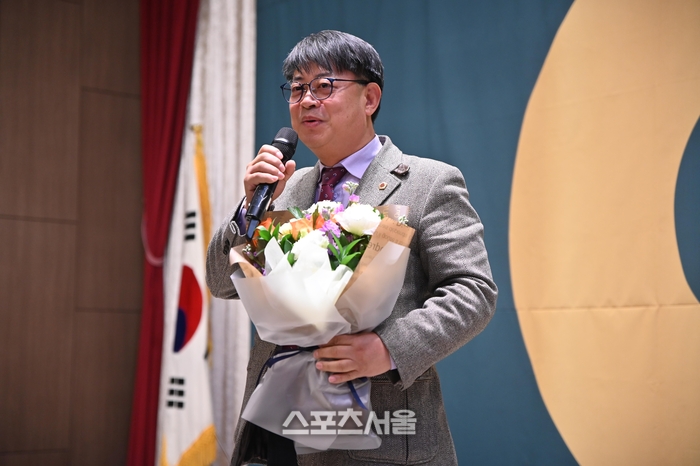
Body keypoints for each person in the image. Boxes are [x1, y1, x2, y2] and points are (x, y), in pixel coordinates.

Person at [206, 29, 498, 466]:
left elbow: (473, 292)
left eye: (324, 86)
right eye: (297, 88)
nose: (307, 100)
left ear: (370, 98)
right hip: (275, 426)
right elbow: (220, 283)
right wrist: (250, 207)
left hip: (377, 433)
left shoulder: (428, 182)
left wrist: (388, 349)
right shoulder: (283, 189)